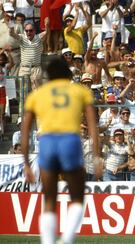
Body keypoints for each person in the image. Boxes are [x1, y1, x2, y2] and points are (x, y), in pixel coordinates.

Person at [21, 57, 102, 244]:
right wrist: (97, 157)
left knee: (49, 199)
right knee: (78, 198)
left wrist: (26, 163)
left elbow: (25, 131)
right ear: (68, 73)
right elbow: (92, 127)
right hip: (69, 141)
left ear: (48, 75)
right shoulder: (80, 91)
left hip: (47, 142)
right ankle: (66, 240)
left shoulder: (38, 94)